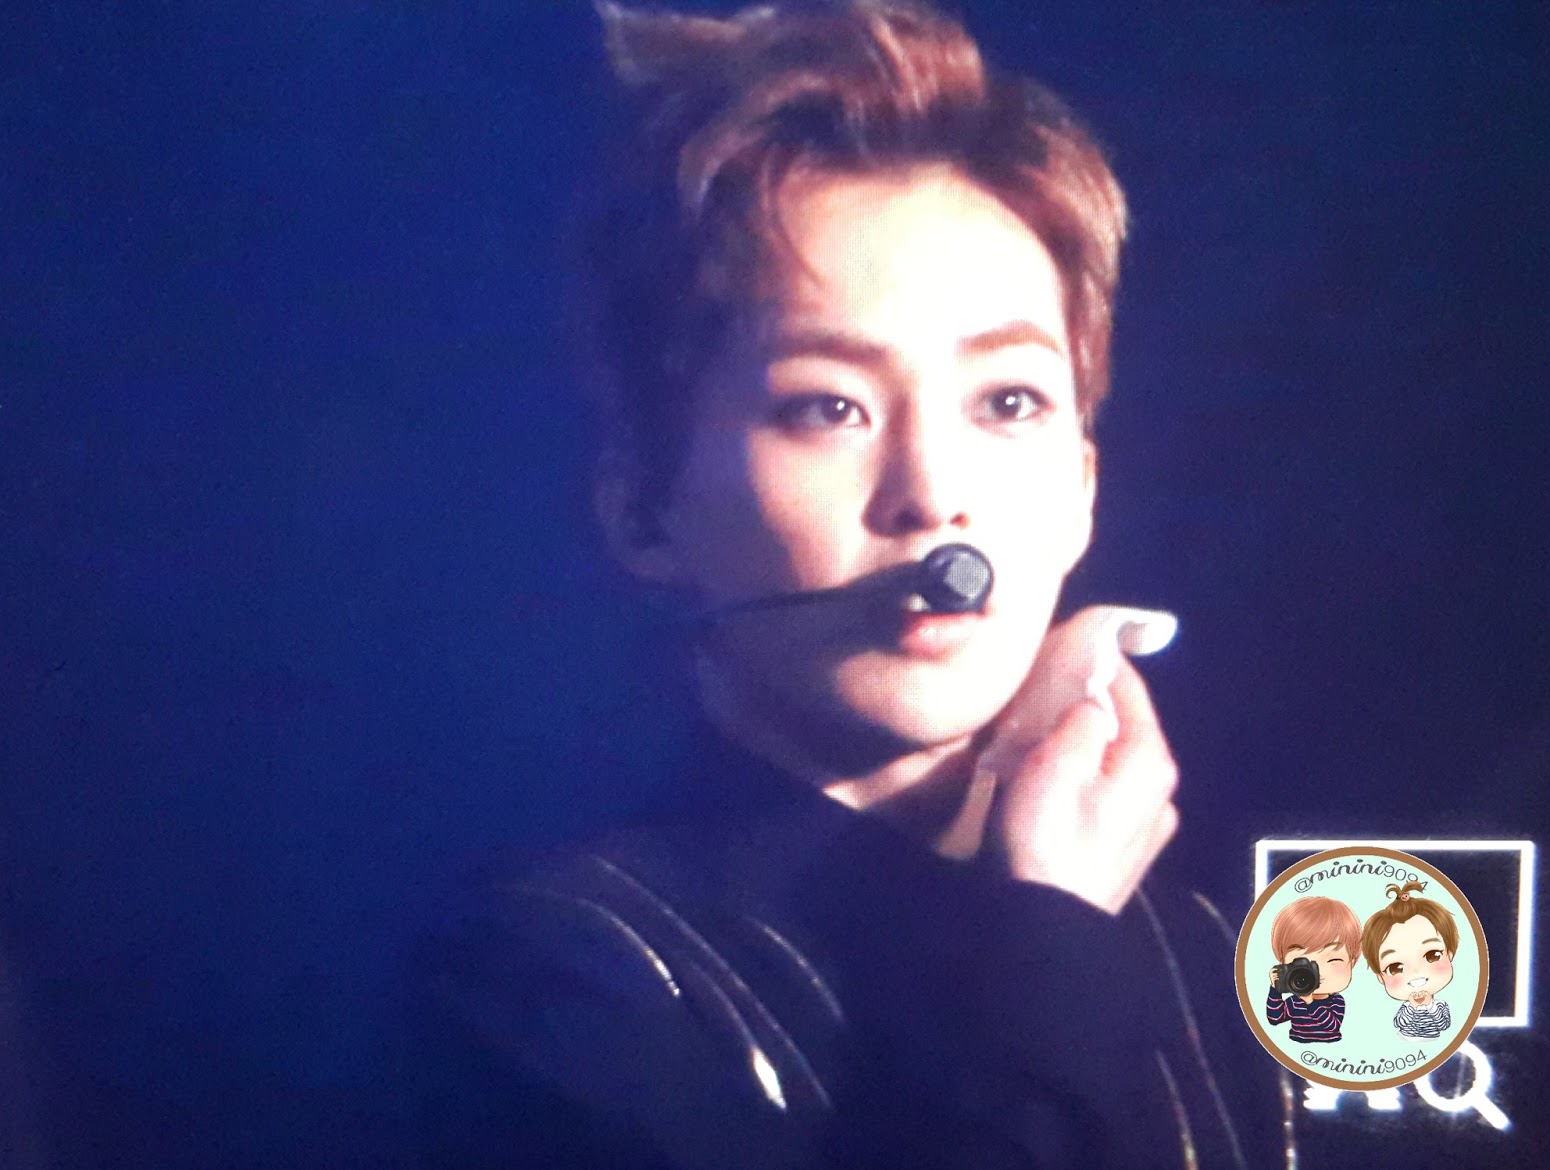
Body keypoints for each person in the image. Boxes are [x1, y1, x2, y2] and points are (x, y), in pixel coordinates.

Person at [407, 2, 1277, 1166]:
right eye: (828, 408)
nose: (931, 496)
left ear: (1082, 487)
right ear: (643, 511)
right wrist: (1051, 948)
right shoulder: (559, 981)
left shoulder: (1211, 960)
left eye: (1006, 401)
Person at [1360, 881, 1458, 1041]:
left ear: (1449, 953)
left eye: (1432, 955)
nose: (1416, 974)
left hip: (1434, 1041)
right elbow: (1399, 1023)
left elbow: (1443, 1024)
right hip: (1404, 1039)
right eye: (1395, 968)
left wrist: (1429, 1006)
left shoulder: (1440, 1006)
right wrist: (1413, 1007)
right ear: (1380, 977)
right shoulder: (1406, 1007)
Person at [1262, 896, 1360, 1044]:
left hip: (1331, 1046)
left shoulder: (1336, 1001)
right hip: (1296, 1045)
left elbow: (1332, 1026)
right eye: (1303, 963)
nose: (1317, 971)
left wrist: (1310, 1003)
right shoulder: (1295, 1001)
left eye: (1333, 960)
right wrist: (1275, 989)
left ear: (1351, 963)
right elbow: (1274, 1018)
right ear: (1284, 964)